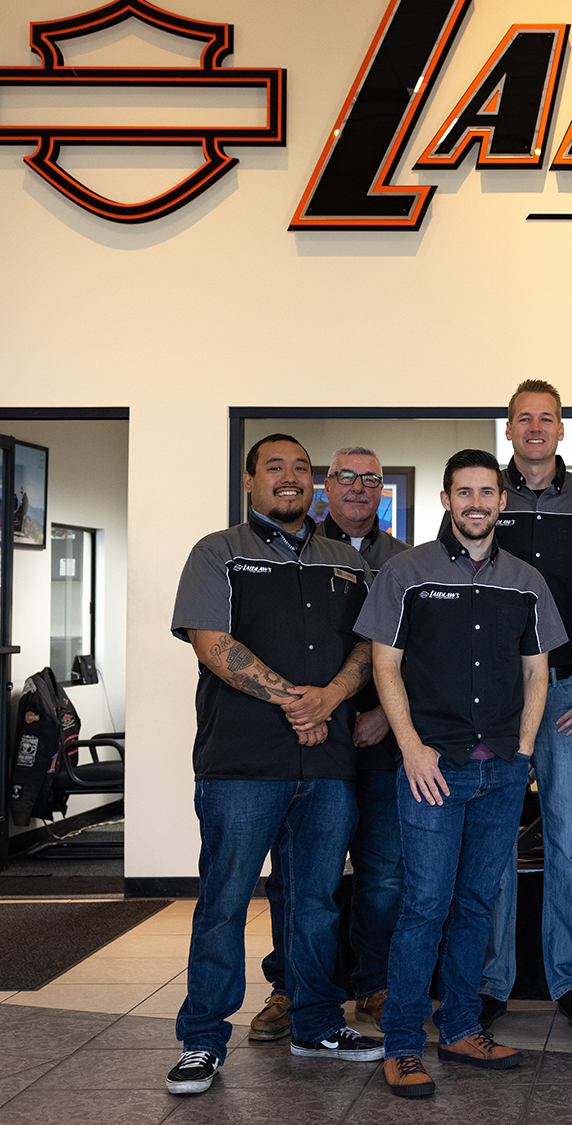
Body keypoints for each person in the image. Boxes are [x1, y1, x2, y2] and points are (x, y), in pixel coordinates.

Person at [166, 434, 382, 1096]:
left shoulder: (347, 561)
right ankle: (203, 1038)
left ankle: (316, 1023)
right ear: (249, 478)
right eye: (275, 467)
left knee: (316, 903)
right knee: (226, 900)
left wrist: (333, 697)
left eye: (301, 468)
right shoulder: (218, 553)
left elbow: (371, 645)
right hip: (241, 764)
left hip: (327, 766)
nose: (290, 478)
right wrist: (297, 701)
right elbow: (212, 643)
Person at [356, 449, 566, 1098]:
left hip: (500, 770)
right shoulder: (405, 572)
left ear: (502, 501)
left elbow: (538, 672)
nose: (476, 503)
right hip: (431, 768)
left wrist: (525, 749)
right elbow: (384, 666)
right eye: (463, 492)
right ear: (446, 499)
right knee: (424, 903)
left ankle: (461, 1027)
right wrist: (411, 747)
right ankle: (401, 1042)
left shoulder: (527, 580)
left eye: (487, 492)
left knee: (478, 900)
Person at [251, 446, 410, 1042]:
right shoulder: (294, 554)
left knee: (383, 873)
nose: (359, 489)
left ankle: (373, 984)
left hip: (384, 743)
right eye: (347, 477)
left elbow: (420, 655)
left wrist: (387, 720)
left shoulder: (407, 561)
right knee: (295, 877)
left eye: (372, 479)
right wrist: (321, 711)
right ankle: (291, 989)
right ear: (327, 485)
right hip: (307, 740)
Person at [479, 380, 572, 1031]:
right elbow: (450, 597)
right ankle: (489, 981)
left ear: (563, 430)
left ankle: (571, 979)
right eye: (523, 418)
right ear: (508, 429)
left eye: (547, 418)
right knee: (493, 844)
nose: (535, 427)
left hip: (567, 694)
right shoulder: (482, 495)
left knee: (569, 844)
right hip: (497, 697)